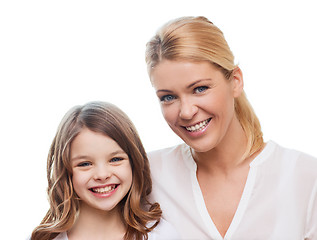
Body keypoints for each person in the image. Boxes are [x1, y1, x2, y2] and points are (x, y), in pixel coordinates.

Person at [145, 16, 317, 240]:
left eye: (199, 89)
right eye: (168, 97)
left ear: (235, 81)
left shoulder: (304, 176)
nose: (186, 112)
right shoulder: (148, 175)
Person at [29, 101, 179, 240]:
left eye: (115, 160)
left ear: (134, 163)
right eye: (85, 164)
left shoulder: (162, 235)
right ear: (65, 171)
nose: (102, 175)